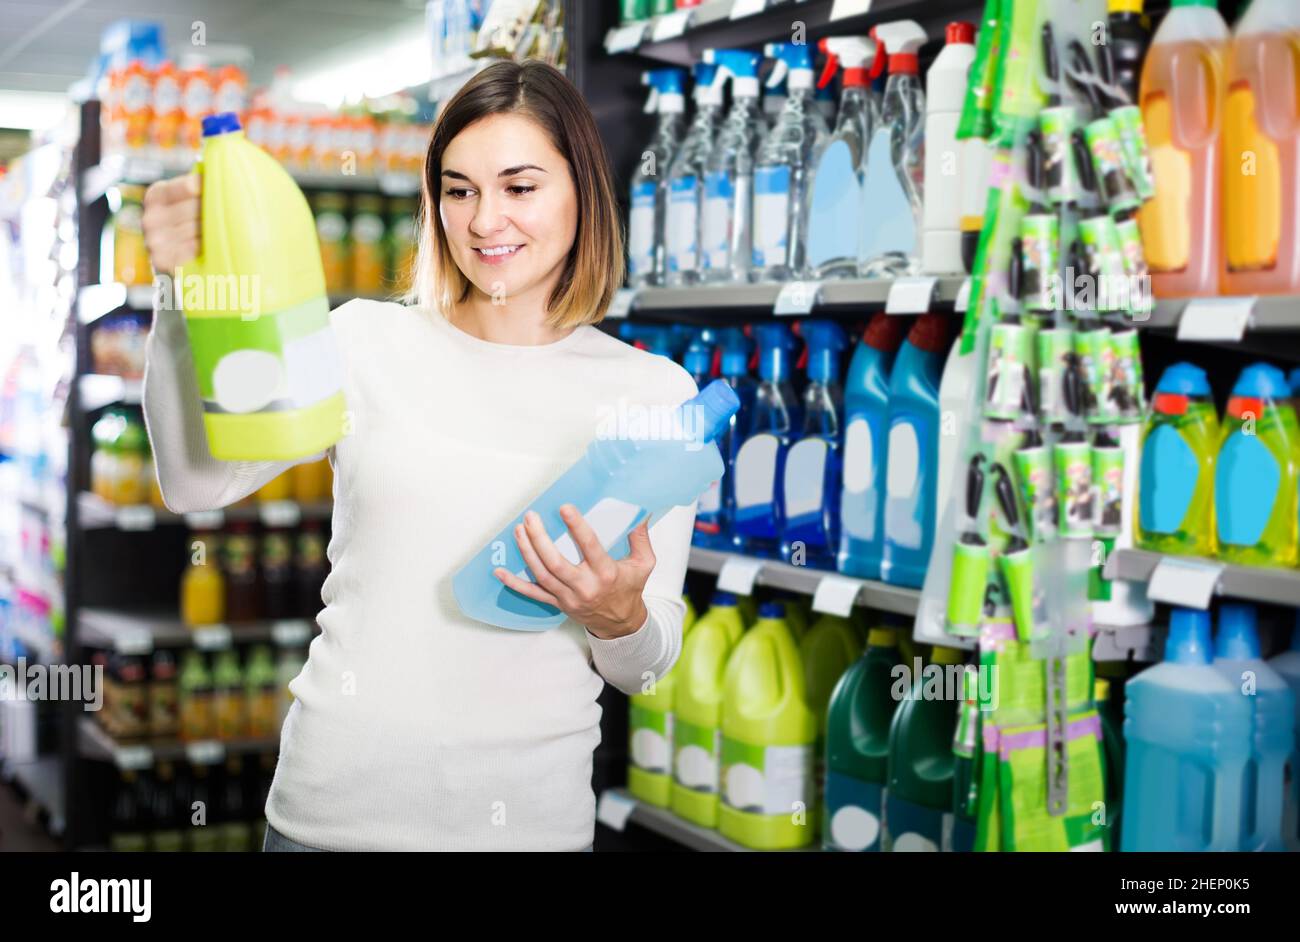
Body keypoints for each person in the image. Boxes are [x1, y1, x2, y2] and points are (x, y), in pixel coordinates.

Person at [140, 60, 698, 851]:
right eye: (459, 188)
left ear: (583, 191)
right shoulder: (364, 341)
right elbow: (195, 481)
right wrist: (176, 292)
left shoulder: (653, 396)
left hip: (527, 831)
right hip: (329, 819)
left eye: (520, 186)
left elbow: (644, 667)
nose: (483, 220)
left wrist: (618, 617)